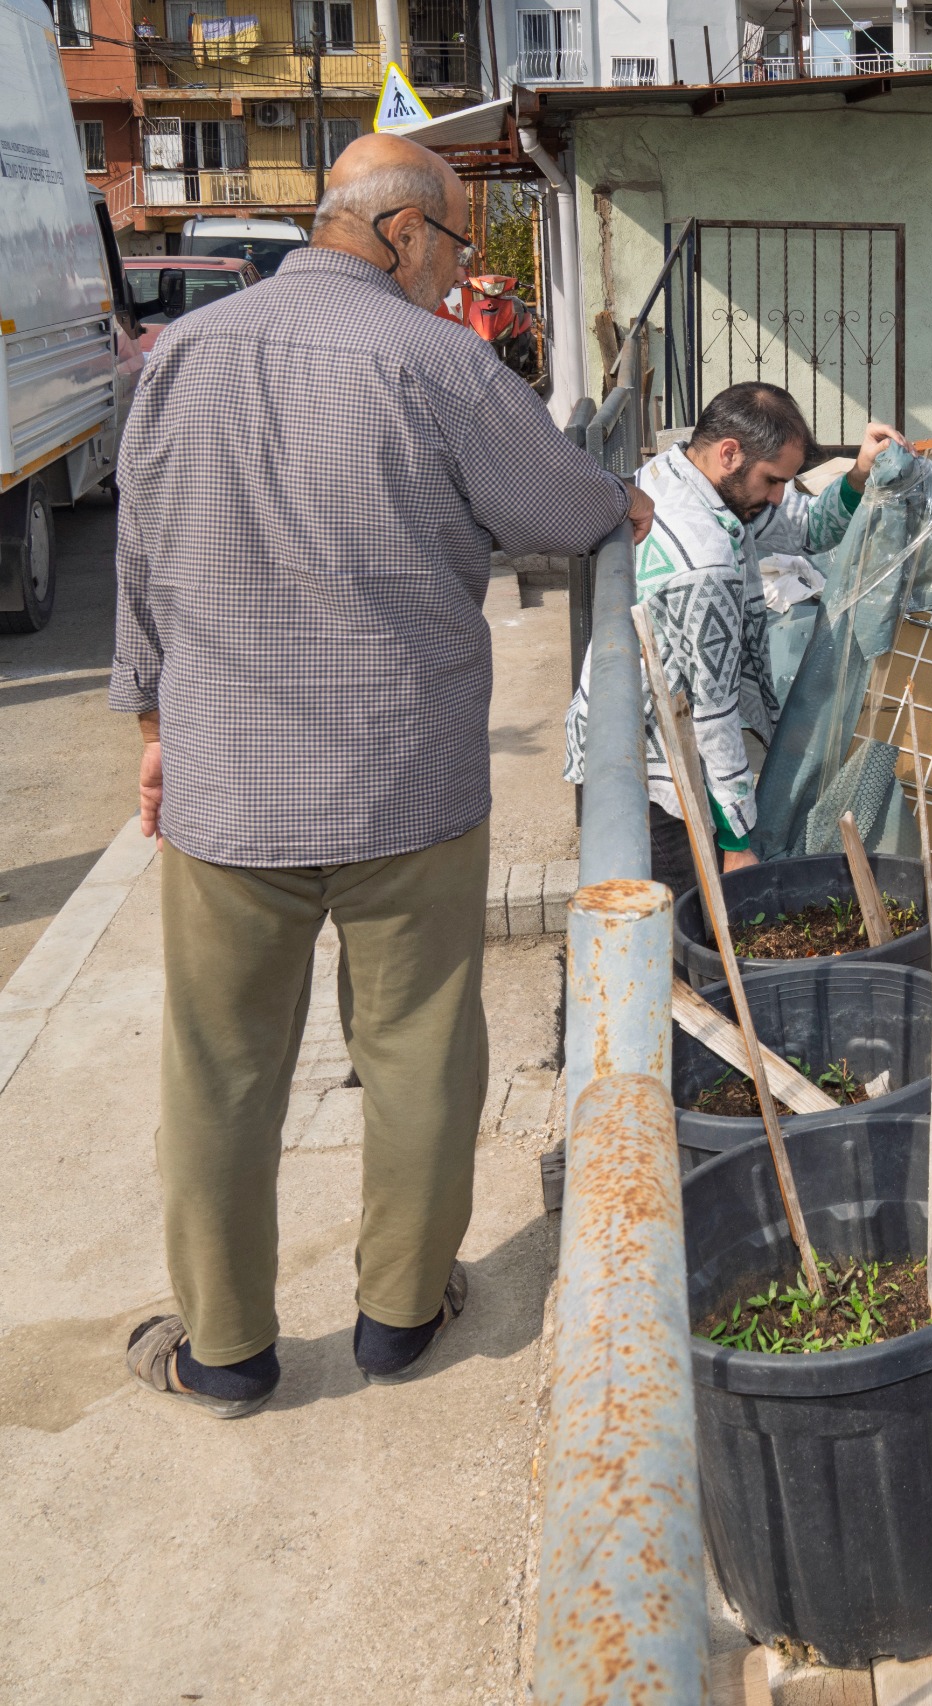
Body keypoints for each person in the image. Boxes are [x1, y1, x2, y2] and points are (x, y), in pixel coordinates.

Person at [109, 134, 649, 1417]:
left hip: (229, 790)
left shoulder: (181, 356)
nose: (460, 276)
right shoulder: (440, 365)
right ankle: (400, 1317)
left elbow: (140, 558)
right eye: (456, 246)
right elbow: (568, 512)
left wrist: (153, 729)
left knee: (220, 1068)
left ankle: (227, 1348)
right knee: (414, 1048)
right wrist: (620, 500)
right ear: (402, 232)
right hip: (405, 785)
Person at [563, 382, 900, 886]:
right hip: (655, 769)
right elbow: (712, 714)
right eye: (772, 480)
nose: (778, 496)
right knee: (686, 924)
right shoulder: (707, 563)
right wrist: (737, 842)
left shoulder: (673, 474)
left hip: (616, 729)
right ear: (730, 453)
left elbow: (807, 530)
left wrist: (859, 473)